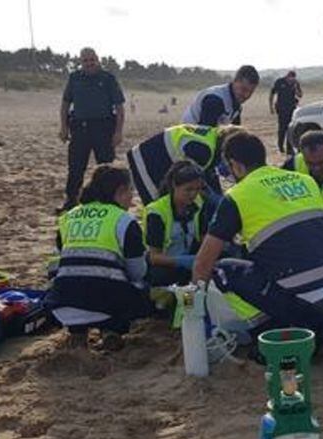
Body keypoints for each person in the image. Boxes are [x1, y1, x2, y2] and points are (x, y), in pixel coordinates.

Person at [192, 132, 323, 353]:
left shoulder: (238, 195)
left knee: (222, 270)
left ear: (235, 165)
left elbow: (203, 263)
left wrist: (193, 309)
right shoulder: (305, 181)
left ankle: (269, 332)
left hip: (304, 300)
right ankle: (321, 329)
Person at [46, 165, 151, 352]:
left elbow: (54, 267)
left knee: (80, 284)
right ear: (120, 191)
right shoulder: (124, 221)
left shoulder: (68, 217)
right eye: (130, 192)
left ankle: (77, 333)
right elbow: (138, 272)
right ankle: (112, 330)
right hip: (106, 301)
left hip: (63, 302)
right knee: (142, 287)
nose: (132, 199)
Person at [59, 47, 126, 212]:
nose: (89, 63)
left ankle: (110, 202)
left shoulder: (108, 78)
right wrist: (63, 127)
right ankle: (71, 201)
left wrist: (118, 132)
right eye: (85, 60)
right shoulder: (75, 78)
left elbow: (119, 107)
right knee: (75, 167)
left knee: (107, 168)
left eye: (92, 60)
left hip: (103, 128)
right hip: (79, 128)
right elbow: (66, 104)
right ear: (80, 62)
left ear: (98, 60)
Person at [142, 160, 220, 286]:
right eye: (188, 190)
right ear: (174, 186)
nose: (194, 194)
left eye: (197, 189)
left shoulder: (198, 204)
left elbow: (204, 237)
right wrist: (181, 261)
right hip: (164, 266)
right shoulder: (157, 213)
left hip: (189, 260)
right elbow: (154, 257)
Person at [126, 124, 243, 201]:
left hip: (155, 154)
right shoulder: (205, 152)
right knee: (157, 203)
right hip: (146, 161)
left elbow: (209, 176)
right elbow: (194, 181)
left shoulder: (213, 135)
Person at [281, 130, 323, 209]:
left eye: (321, 162)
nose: (317, 168)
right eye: (310, 163)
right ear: (301, 153)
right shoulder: (292, 165)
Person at [181, 65, 260, 127]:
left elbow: (236, 135)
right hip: (188, 138)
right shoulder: (214, 100)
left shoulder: (237, 106)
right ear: (235, 81)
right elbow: (205, 134)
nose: (246, 95)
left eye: (251, 92)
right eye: (244, 89)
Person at [270, 71, 303, 154]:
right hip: (281, 109)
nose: (291, 81)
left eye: (293, 79)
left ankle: (289, 148)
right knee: (282, 128)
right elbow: (272, 94)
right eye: (290, 79)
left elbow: (300, 95)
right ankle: (280, 146)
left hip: (292, 108)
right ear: (287, 77)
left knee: (290, 128)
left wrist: (295, 88)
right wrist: (271, 107)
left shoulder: (295, 83)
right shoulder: (279, 82)